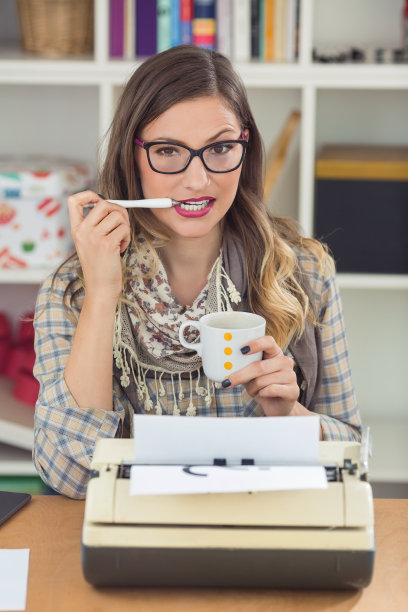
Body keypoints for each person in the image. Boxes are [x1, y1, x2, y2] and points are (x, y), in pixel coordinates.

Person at [33, 45, 361, 499]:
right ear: (132, 156)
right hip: (135, 549)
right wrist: (103, 293)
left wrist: (291, 420)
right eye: (168, 151)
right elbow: (69, 474)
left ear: (245, 148)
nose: (197, 180)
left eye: (220, 148)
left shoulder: (303, 270)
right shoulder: (70, 290)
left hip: (261, 538)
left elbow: (352, 457)